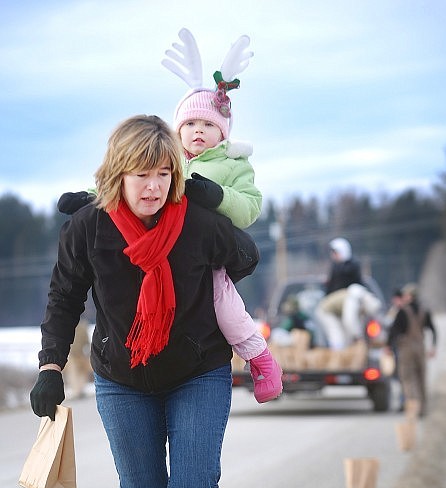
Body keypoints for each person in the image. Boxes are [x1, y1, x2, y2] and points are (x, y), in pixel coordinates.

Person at [29, 114, 261, 488]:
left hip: (199, 372)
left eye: (163, 173)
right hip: (121, 379)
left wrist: (215, 202)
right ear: (118, 174)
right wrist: (51, 367)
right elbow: (64, 299)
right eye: (141, 174)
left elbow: (246, 256)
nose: (154, 186)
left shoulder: (196, 223)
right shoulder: (88, 227)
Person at [58, 31, 282, 404]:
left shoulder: (233, 164)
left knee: (225, 307)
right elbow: (131, 183)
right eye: (191, 125)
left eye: (209, 126)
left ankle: (259, 357)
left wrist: (218, 195)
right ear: (178, 130)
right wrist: (89, 198)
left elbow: (250, 207)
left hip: (205, 250)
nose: (199, 132)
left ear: (223, 133)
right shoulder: (168, 159)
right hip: (163, 245)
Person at [316, 238, 381, 348]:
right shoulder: (351, 294)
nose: (333, 256)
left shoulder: (354, 289)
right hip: (334, 309)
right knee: (338, 335)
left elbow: (352, 319)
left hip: (344, 305)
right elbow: (349, 320)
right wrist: (357, 337)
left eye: (335, 253)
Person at [386, 282, 437, 416]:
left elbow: (393, 331)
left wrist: (388, 346)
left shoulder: (402, 311)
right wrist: (433, 347)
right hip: (421, 348)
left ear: (409, 296)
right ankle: (423, 409)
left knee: (408, 379)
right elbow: (433, 330)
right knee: (421, 378)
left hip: (406, 350)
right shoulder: (424, 311)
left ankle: (413, 407)